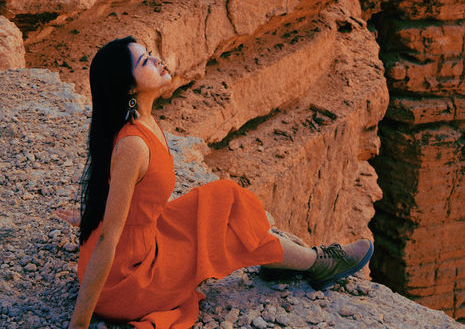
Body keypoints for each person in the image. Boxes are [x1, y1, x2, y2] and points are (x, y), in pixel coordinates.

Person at [60, 36, 373, 329]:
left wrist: (88, 217)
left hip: (147, 237)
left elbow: (120, 193)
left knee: (224, 197)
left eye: (151, 54)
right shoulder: (133, 145)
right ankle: (317, 263)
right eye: (145, 62)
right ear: (128, 87)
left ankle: (284, 259)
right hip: (129, 279)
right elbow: (108, 240)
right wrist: (79, 323)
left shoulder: (144, 122)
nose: (157, 61)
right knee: (221, 234)